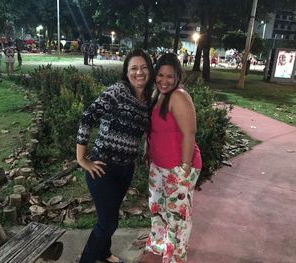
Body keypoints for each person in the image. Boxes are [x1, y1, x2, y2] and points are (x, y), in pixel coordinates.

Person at [76, 48, 155, 263]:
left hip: (125, 169)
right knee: (108, 222)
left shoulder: (148, 99)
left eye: (144, 68)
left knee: (110, 215)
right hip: (103, 168)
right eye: (134, 68)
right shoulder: (117, 91)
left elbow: (143, 129)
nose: (140, 72)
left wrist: (141, 152)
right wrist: (82, 159)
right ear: (126, 72)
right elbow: (86, 118)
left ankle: (103, 253)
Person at [144, 53, 202, 263]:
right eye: (160, 75)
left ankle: (175, 257)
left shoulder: (179, 96)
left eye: (170, 76)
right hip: (158, 165)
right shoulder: (156, 94)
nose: (164, 80)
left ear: (178, 76)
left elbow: (189, 133)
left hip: (179, 166)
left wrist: (184, 169)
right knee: (157, 208)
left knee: (177, 217)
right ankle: (159, 244)